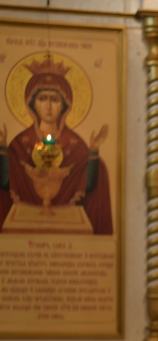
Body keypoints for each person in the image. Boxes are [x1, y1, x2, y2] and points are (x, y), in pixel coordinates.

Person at [0, 56, 113, 235]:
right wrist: (3, 149)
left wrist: (93, 150)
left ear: (64, 105)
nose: (48, 106)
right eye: (42, 98)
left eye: (55, 99)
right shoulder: (19, 143)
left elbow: (89, 184)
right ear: (32, 104)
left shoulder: (76, 145)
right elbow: (5, 182)